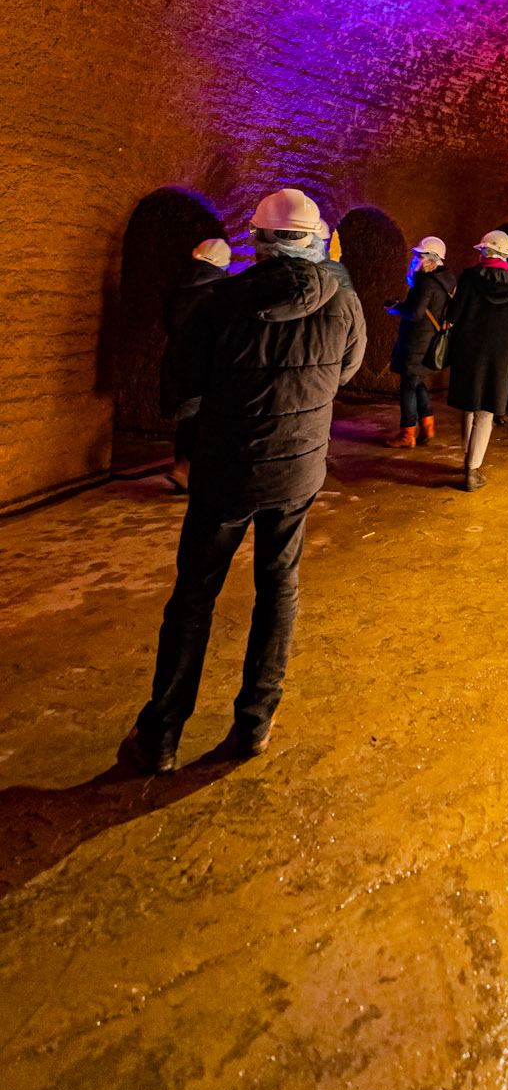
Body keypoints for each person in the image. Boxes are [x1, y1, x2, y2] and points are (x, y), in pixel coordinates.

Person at [120, 189, 365, 772]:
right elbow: (349, 369)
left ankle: (163, 733)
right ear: (313, 240)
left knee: (194, 596)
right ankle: (254, 722)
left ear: (257, 240)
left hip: (226, 468)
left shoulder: (222, 302)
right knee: (278, 589)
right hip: (299, 466)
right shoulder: (344, 304)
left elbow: (185, 378)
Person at [443, 231, 508, 489]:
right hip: (499, 354)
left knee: (468, 405)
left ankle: (465, 459)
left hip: (468, 350)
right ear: (506, 255)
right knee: (485, 412)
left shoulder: (469, 278)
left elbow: (454, 313)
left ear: (484, 252)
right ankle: (473, 470)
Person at [160, 237, 233, 491]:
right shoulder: (221, 292)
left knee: (188, 418)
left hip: (178, 360)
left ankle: (183, 465)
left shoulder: (177, 285)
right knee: (207, 418)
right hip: (208, 364)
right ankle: (188, 469)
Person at [384, 236, 454, 446]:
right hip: (429, 340)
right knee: (417, 382)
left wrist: (395, 307)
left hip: (417, 342)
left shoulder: (426, 280)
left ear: (431, 258)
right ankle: (428, 427)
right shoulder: (446, 279)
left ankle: (407, 434)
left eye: (419, 255)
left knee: (408, 385)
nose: (415, 259)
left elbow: (415, 312)